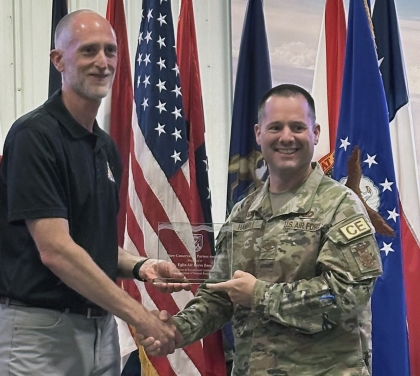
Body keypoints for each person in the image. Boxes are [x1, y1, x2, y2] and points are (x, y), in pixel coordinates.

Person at [0, 10, 187, 376]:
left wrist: (141, 266)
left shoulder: (104, 148)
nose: (103, 62)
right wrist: (141, 317)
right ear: (58, 60)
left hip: (100, 334)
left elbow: (92, 246)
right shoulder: (35, 136)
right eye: (89, 51)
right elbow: (57, 251)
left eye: (110, 51)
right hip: (39, 337)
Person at [138, 84, 383, 375]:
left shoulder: (342, 206)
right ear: (258, 133)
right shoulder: (244, 211)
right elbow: (218, 295)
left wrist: (260, 295)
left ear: (315, 133)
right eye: (275, 127)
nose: (287, 137)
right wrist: (175, 331)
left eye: (297, 127)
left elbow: (345, 296)